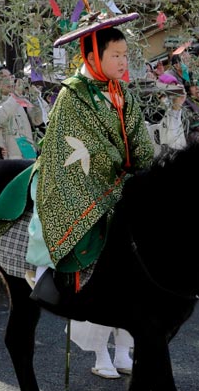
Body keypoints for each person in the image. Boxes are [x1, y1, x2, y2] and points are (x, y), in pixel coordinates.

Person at [22, 18, 155, 296]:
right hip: (73, 174)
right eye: (116, 56)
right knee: (65, 209)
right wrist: (122, 172)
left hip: (118, 174)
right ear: (93, 57)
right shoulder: (72, 93)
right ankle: (50, 275)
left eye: (125, 55)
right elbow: (83, 145)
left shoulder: (122, 93)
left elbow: (139, 138)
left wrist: (146, 168)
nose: (122, 62)